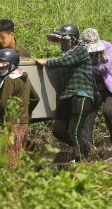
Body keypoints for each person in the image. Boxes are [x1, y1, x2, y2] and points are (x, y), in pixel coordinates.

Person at [34, 23, 94, 161]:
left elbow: (66, 61)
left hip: (81, 96)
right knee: (58, 131)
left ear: (72, 40)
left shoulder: (81, 51)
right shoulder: (69, 55)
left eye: (63, 40)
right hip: (67, 97)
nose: (61, 43)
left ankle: (81, 163)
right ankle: (84, 150)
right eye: (60, 41)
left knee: (74, 132)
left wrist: (46, 62)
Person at [0, 48, 40, 170]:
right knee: (19, 155)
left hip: (12, 124)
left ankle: (13, 187)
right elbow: (35, 98)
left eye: (2, 67)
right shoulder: (24, 77)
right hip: (23, 123)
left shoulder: (9, 80)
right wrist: (27, 113)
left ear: (11, 66)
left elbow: (3, 103)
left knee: (11, 161)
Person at [79, 28, 112, 151]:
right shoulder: (81, 48)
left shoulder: (107, 46)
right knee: (89, 115)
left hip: (110, 87)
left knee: (108, 111)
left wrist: (84, 68)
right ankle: (85, 146)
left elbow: (105, 68)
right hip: (94, 88)